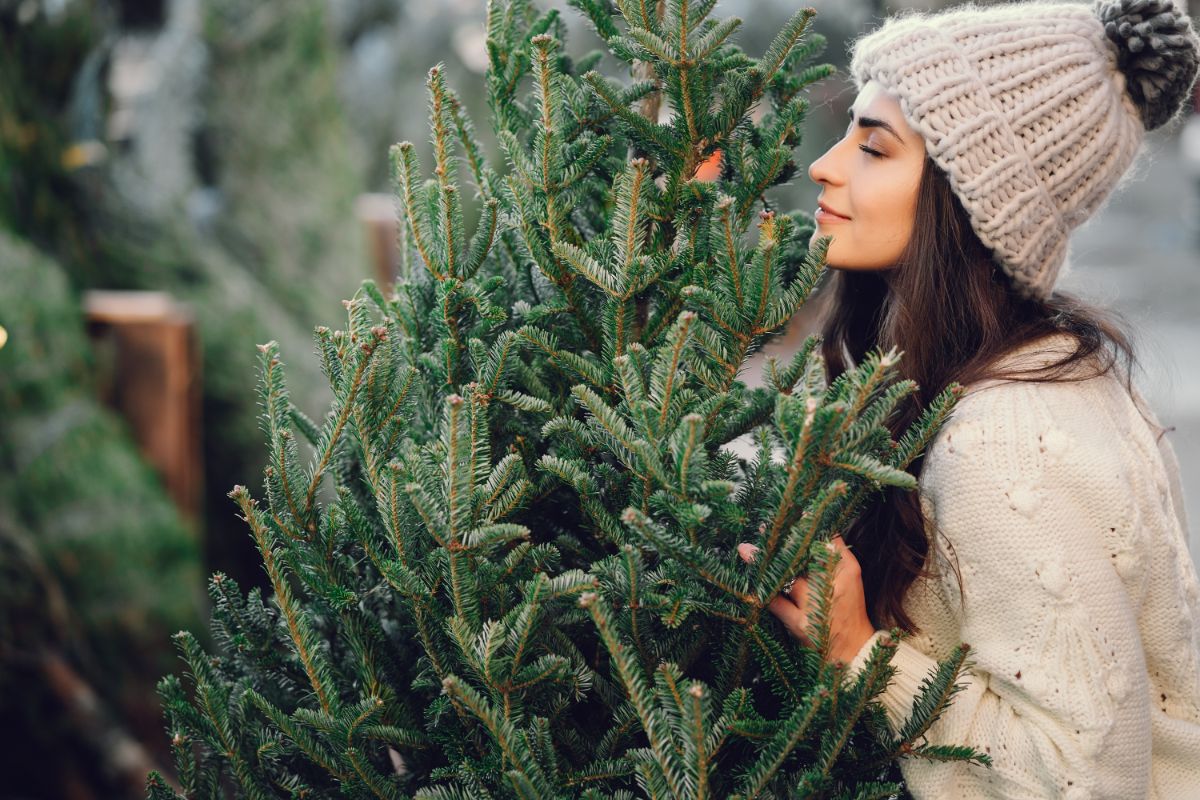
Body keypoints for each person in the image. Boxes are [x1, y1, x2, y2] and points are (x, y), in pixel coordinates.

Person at [736, 0, 1200, 796]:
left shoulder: (1003, 437)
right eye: (850, 132)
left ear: (968, 199)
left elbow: (1084, 780)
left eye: (875, 148)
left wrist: (856, 654)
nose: (827, 164)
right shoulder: (1025, 369)